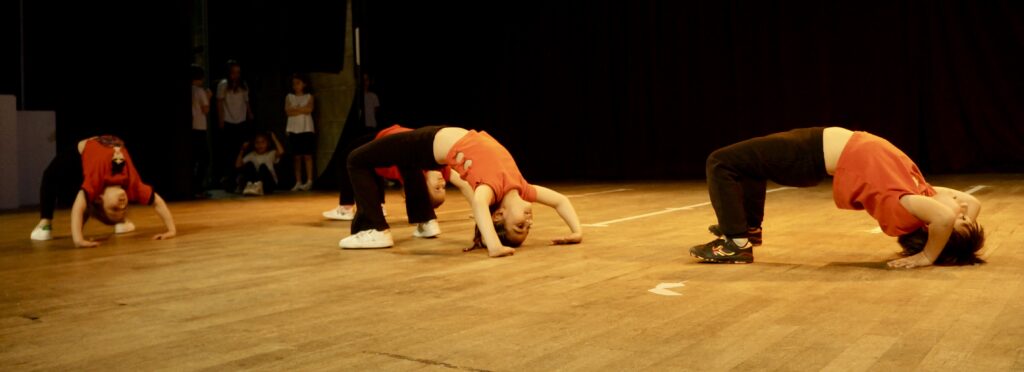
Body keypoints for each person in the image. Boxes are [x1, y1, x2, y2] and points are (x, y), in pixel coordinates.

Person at [690, 127, 985, 268]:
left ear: (929, 227)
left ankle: (736, 244)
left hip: (809, 156)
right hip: (815, 148)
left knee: (721, 161)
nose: (961, 207)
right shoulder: (924, 192)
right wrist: (965, 229)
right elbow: (974, 203)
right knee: (747, 166)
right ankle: (747, 230)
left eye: (960, 220)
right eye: (963, 215)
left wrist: (928, 256)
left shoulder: (907, 207)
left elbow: (943, 218)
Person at [339, 126, 582, 258]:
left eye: (520, 226)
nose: (528, 223)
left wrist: (494, 245)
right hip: (431, 147)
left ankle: (375, 229)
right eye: (528, 227)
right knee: (407, 166)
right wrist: (576, 231)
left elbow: (478, 204)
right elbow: (561, 201)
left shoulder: (491, 189)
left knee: (356, 158)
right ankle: (426, 222)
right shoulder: (523, 188)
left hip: (426, 144)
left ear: (499, 215)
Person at [30, 135, 177, 247]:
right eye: (124, 208)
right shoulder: (133, 186)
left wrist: (79, 239)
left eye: (114, 208)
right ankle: (120, 220)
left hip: (81, 151)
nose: (122, 204)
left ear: (100, 199)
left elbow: (78, 208)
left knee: (50, 176)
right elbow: (157, 202)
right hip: (102, 146)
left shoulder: (95, 182)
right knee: (77, 188)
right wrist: (171, 230)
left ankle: (46, 223)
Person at [322, 125, 450, 232]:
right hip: (396, 136)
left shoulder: (413, 173)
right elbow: (464, 184)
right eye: (443, 187)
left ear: (424, 187)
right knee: (408, 163)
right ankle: (426, 222)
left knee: (353, 159)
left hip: (386, 138)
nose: (442, 182)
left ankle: (359, 217)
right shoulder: (443, 168)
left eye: (437, 188)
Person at [217, 60, 254, 190]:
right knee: (229, 151)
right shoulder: (223, 85)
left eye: (238, 72)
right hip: (228, 120)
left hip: (241, 120)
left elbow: (246, 101)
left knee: (241, 149)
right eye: (233, 72)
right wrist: (221, 120)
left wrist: (250, 113)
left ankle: (241, 180)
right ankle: (229, 180)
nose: (236, 75)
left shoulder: (243, 85)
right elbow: (220, 103)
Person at [286, 73, 316, 191]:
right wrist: (301, 110)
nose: (295, 86)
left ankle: (309, 181)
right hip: (293, 128)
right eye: (294, 83)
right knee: (296, 157)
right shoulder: (289, 96)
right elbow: (288, 111)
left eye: (298, 83)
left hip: (306, 128)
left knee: (307, 155)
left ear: (304, 84)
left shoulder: (309, 96)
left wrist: (296, 109)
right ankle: (298, 181)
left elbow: (309, 109)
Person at [236, 132, 285, 196]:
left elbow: (281, 152)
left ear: (268, 143)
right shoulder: (252, 155)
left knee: (263, 167)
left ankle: (259, 187)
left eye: (263, 142)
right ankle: (251, 186)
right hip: (255, 184)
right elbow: (238, 165)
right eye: (257, 142)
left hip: (268, 184)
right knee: (249, 165)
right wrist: (242, 150)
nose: (260, 145)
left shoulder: (271, 153)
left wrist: (274, 139)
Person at [190, 64, 212, 198]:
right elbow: (205, 109)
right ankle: (198, 188)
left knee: (193, 159)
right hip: (199, 127)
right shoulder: (199, 91)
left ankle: (192, 187)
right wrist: (208, 97)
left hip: (191, 128)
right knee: (204, 158)